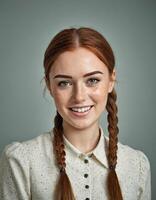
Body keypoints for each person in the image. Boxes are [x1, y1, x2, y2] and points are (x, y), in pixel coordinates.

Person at [0, 27, 151, 200]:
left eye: (92, 80)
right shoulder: (21, 161)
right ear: (49, 86)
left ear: (111, 80)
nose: (79, 97)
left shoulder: (137, 165)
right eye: (64, 83)